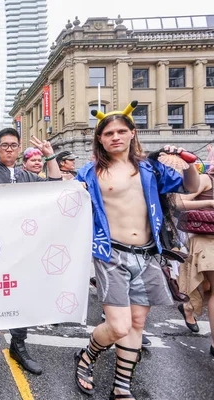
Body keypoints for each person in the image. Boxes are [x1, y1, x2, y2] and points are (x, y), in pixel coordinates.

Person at [73, 102, 200, 400]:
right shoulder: (90, 173)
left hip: (148, 255)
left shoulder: (151, 168)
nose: (115, 137)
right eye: (108, 133)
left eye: (121, 131)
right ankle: (87, 355)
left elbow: (188, 185)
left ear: (132, 133)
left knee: (138, 323)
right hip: (111, 255)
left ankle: (122, 386)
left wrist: (190, 162)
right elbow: (63, 199)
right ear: (100, 139)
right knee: (118, 326)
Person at [0, 128, 62, 375]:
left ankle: (18, 344)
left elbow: (56, 188)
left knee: (20, 293)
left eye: (13, 145)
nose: (8, 149)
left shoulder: (27, 177)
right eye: (4, 145)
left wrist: (50, 157)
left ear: (19, 149)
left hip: (20, 249)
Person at [176, 145, 214, 351]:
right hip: (207, 240)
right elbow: (178, 201)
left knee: (206, 288)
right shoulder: (207, 180)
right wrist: (209, 204)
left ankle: (188, 307)